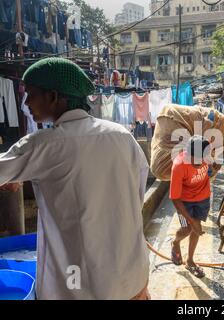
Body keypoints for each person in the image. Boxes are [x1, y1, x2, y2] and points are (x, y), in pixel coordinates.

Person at [0, 58, 150, 300]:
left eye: (30, 95)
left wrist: (17, 174)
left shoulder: (43, 144)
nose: (26, 104)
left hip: (79, 287)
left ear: (53, 96)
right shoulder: (122, 136)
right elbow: (137, 194)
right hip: (132, 278)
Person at [170, 135, 212, 278]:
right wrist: (191, 220)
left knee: (196, 228)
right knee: (187, 228)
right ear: (188, 154)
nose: (200, 163)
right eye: (196, 159)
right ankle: (175, 242)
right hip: (184, 200)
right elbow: (174, 198)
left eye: (202, 159)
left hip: (203, 197)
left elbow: (211, 168)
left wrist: (213, 168)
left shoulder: (206, 157)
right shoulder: (179, 165)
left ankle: (190, 261)